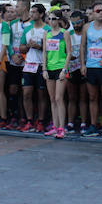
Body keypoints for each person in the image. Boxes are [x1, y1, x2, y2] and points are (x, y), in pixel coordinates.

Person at [81, 1, 102, 137]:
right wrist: (83, 64)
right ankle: (93, 125)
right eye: (98, 11)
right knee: (93, 97)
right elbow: (83, 46)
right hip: (91, 66)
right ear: (93, 13)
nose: (101, 13)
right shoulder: (87, 27)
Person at [20, 4, 50, 133]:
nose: (31, 15)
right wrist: (27, 46)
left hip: (41, 65)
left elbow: (52, 49)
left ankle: (41, 121)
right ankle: (29, 120)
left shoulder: (48, 29)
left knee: (41, 95)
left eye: (34, 12)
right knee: (26, 94)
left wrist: (40, 47)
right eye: (31, 12)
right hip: (29, 65)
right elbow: (21, 47)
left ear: (41, 14)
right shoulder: (27, 29)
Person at [43, 10, 71, 138]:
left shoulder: (64, 33)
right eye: (49, 19)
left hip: (60, 68)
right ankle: (55, 126)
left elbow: (69, 53)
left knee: (59, 98)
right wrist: (44, 69)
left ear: (59, 20)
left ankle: (61, 127)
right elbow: (44, 52)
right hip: (50, 68)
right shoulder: (46, 33)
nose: (51, 21)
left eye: (54, 19)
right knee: (52, 99)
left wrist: (64, 69)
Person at [66, 11, 89, 134]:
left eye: (78, 22)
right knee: (72, 97)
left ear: (83, 21)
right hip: (72, 68)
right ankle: (70, 122)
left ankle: (84, 122)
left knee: (83, 97)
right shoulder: (68, 34)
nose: (75, 25)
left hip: (84, 67)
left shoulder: (86, 34)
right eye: (73, 23)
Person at [6, 1, 29, 129]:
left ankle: (24, 116)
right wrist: (12, 54)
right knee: (13, 89)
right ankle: (13, 116)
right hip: (14, 61)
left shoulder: (31, 24)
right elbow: (8, 41)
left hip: (27, 63)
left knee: (25, 91)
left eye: (17, 6)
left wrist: (23, 56)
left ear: (24, 8)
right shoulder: (13, 24)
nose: (15, 9)